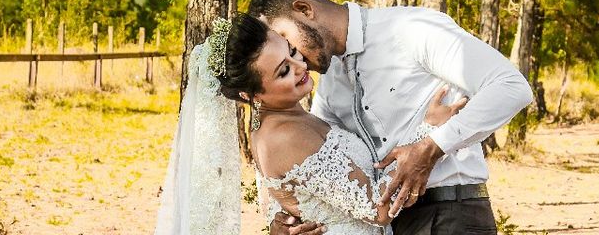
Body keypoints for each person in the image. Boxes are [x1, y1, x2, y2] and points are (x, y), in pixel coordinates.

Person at [247, 0, 534, 235]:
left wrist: (433, 146)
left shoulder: (412, 29)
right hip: (388, 223)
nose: (294, 57)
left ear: (304, 10)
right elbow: (319, 166)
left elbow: (510, 86)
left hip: (450, 214)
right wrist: (286, 220)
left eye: (287, 41)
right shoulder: (330, 81)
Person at [154, 14, 465, 235]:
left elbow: (279, 201)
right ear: (251, 95)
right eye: (283, 71)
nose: (301, 66)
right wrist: (428, 130)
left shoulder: (280, 121)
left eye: (291, 52)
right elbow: (380, 210)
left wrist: (280, 221)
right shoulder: (284, 137)